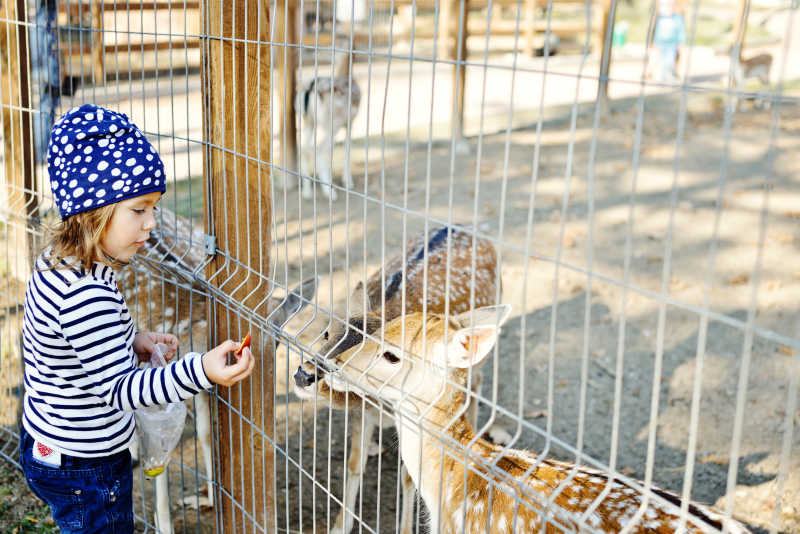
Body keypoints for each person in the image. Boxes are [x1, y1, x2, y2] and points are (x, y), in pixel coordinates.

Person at [19, 104, 255, 533]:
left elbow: (73, 347)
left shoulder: (60, 264)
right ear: (94, 211)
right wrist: (201, 369)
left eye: (154, 209)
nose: (151, 224)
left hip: (48, 442)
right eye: (139, 210)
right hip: (85, 466)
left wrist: (131, 340)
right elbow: (122, 389)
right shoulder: (88, 294)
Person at [653, 0, 687, 83]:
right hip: (662, 43)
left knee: (670, 60)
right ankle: (663, 77)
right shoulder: (660, 18)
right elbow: (657, 31)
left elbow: (681, 31)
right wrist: (655, 42)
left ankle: (670, 74)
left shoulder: (677, 18)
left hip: (672, 44)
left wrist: (681, 42)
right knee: (662, 61)